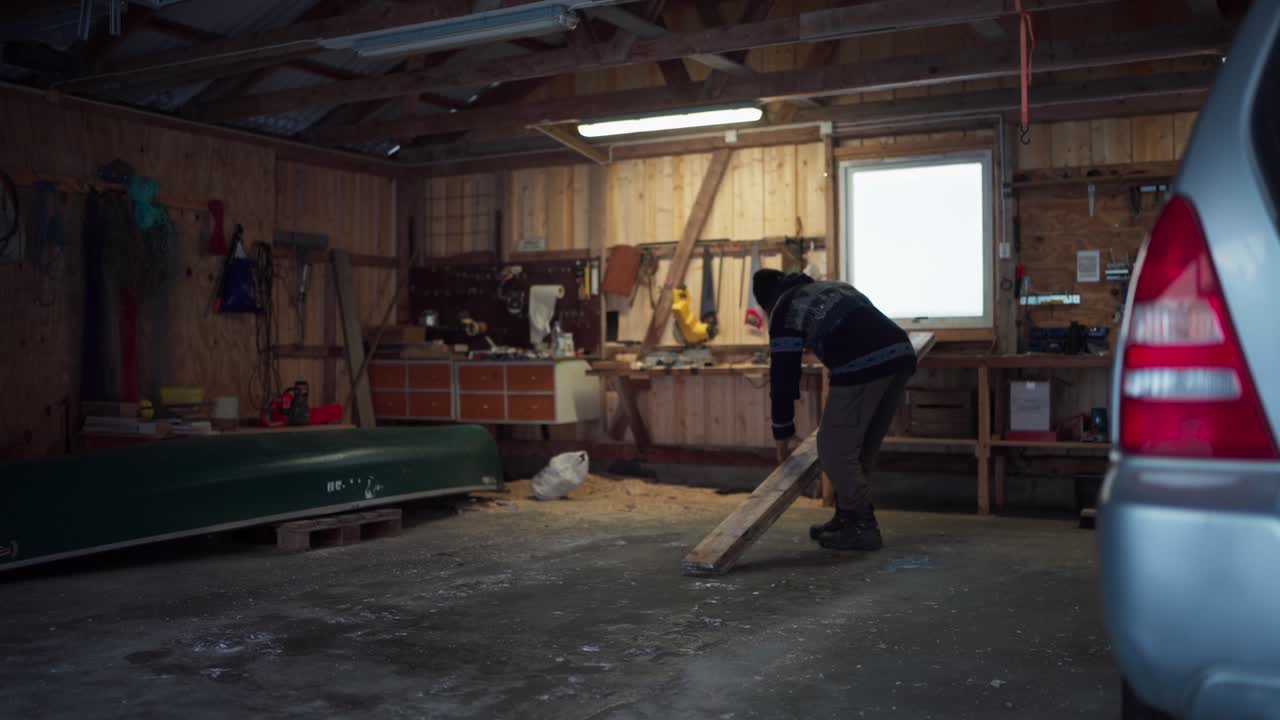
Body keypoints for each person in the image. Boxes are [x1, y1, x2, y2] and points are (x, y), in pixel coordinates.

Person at [752, 269, 916, 551]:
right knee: (858, 449)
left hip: (863, 363)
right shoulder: (831, 288)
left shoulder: (784, 310)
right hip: (901, 354)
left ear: (766, 304)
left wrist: (782, 433)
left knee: (833, 450)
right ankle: (847, 518)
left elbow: (783, 377)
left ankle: (863, 527)